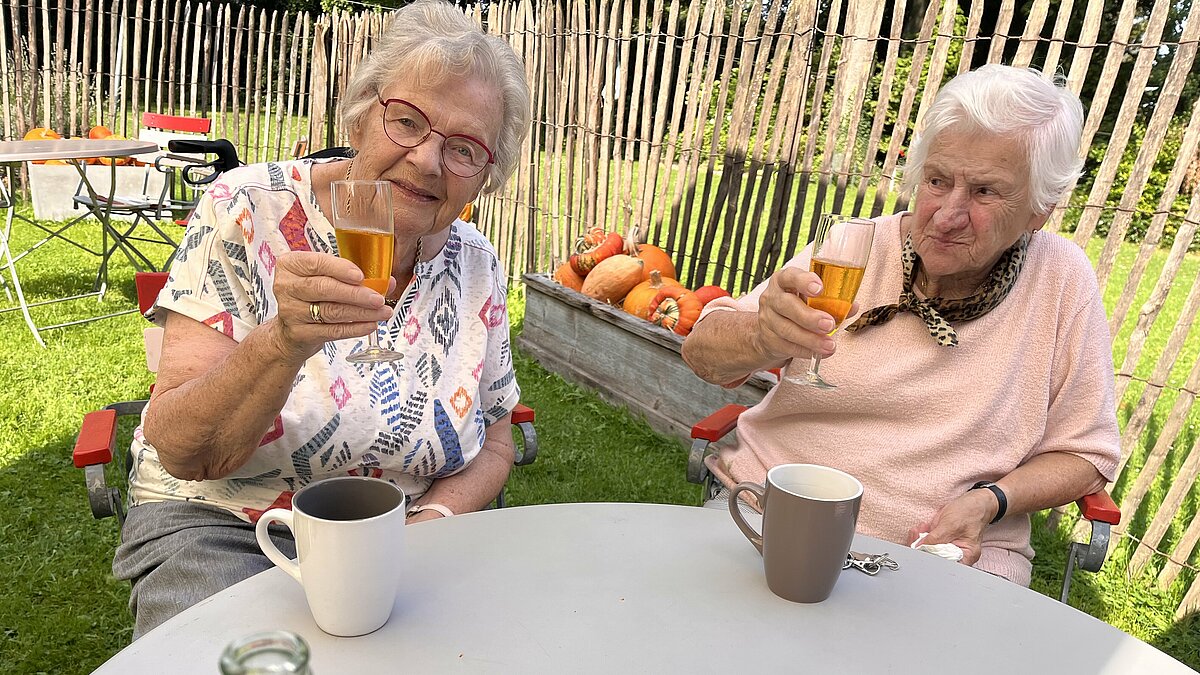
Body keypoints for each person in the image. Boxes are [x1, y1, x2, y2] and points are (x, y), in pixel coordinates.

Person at [113, 0, 532, 637]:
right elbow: (181, 449)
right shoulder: (249, 208)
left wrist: (430, 526)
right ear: (362, 117)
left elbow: (497, 440)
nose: (425, 160)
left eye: (464, 149)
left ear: (483, 177)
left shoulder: (475, 264)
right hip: (230, 524)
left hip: (402, 534)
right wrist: (281, 342)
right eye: (408, 122)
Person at [681, 64, 1119, 586]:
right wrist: (759, 336)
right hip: (774, 514)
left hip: (951, 555)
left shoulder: (1061, 280)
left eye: (984, 192)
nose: (946, 215)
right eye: (937, 181)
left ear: (1038, 210)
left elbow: (1084, 454)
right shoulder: (854, 248)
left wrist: (991, 501)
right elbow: (702, 352)